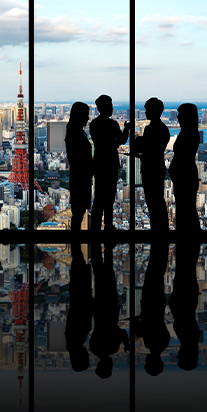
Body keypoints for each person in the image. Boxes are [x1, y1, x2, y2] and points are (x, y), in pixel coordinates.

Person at [89, 95, 131, 231]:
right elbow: (123, 140)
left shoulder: (93, 124)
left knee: (99, 196)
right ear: (105, 107)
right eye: (110, 106)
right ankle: (108, 224)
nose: (112, 108)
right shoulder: (112, 124)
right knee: (109, 196)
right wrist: (126, 129)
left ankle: (95, 226)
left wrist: (112, 142)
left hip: (99, 162)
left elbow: (100, 142)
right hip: (111, 163)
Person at [89, 242, 130, 378]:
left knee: (108, 269)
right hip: (100, 308)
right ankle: (96, 245)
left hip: (110, 308)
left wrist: (126, 344)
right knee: (99, 272)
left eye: (110, 367)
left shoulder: (112, 348)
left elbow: (122, 332)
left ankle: (107, 247)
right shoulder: (94, 348)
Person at [132, 97, 170, 231]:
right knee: (158, 201)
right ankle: (161, 229)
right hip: (157, 167)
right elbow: (154, 149)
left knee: (153, 201)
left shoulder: (150, 129)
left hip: (149, 168)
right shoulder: (164, 129)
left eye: (147, 109)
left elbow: (144, 148)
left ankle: (157, 230)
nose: (145, 112)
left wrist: (137, 141)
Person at [132, 242, 170, 376]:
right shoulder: (150, 343)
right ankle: (159, 244)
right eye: (147, 363)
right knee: (153, 271)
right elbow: (148, 323)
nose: (145, 360)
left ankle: (161, 246)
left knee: (157, 271)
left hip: (158, 304)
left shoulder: (164, 343)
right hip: (150, 304)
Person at [170, 241, 202, 371]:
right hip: (184, 296)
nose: (177, 354)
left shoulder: (191, 339)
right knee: (185, 264)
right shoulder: (188, 337)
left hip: (188, 296)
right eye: (180, 357)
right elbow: (182, 316)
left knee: (187, 264)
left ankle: (189, 240)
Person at [169, 103, 201, 231]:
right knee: (186, 209)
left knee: (185, 209)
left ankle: (187, 239)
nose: (178, 117)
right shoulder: (190, 133)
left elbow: (182, 157)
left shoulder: (188, 134)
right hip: (185, 175)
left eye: (180, 115)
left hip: (185, 177)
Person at [65, 243, 93, 372]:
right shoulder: (73, 340)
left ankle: (76, 227)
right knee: (78, 258)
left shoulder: (76, 337)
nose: (88, 354)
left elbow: (82, 311)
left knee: (78, 257)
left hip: (81, 293)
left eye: (86, 358)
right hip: (78, 292)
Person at [64, 102, 92, 231]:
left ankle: (75, 245)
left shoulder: (73, 133)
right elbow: (80, 159)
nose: (88, 118)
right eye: (86, 115)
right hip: (81, 178)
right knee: (79, 213)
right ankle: (76, 244)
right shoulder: (76, 135)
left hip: (78, 177)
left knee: (79, 213)